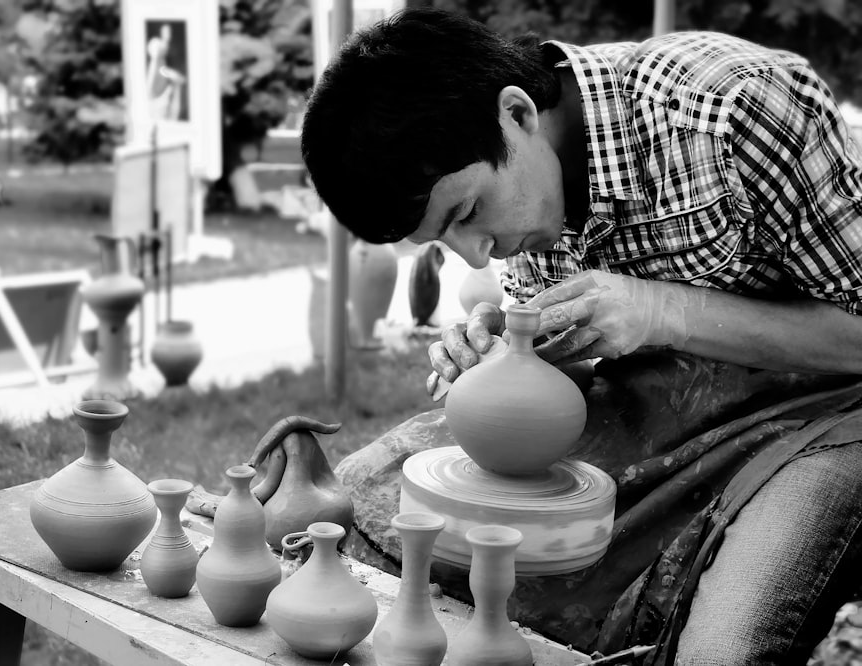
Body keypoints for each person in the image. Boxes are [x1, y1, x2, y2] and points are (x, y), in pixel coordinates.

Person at [301, 7, 862, 665]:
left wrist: (663, 312)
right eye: (443, 240)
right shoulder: (528, 190)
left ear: (517, 113)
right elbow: (565, 373)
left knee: (721, 650)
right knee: (354, 505)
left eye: (468, 213)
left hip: (830, 415)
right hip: (665, 414)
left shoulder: (730, 107)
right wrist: (509, 361)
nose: (477, 258)